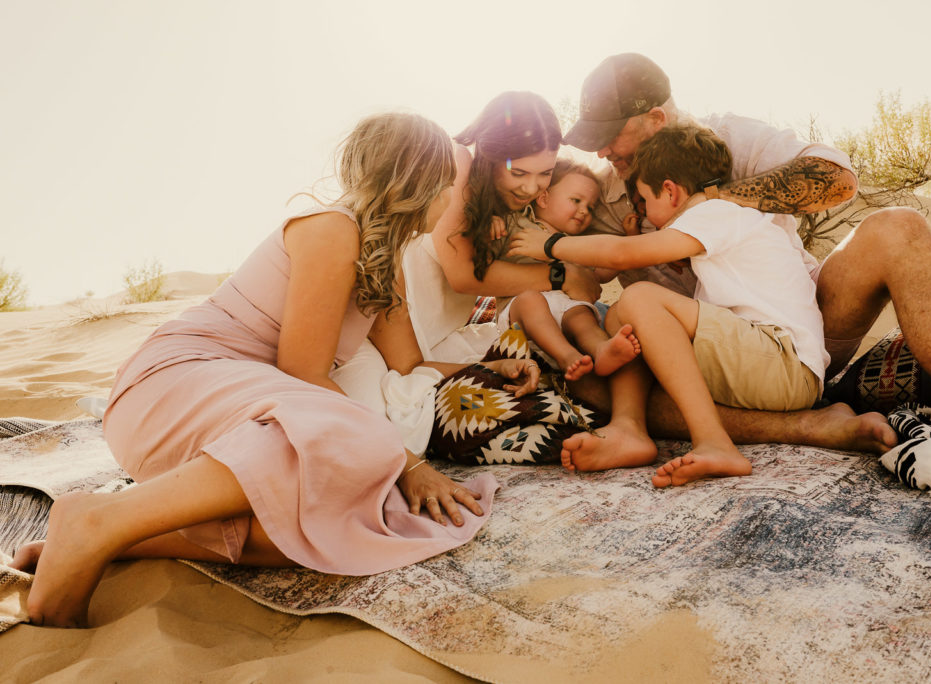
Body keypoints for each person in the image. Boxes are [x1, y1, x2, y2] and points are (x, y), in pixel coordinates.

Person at [11, 112, 541, 628]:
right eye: (448, 183)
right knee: (362, 440)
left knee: (334, 531)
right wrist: (409, 462)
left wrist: (489, 364)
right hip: (176, 383)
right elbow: (303, 375)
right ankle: (98, 519)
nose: (452, 196)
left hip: (236, 421)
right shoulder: (333, 229)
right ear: (419, 183)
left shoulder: (385, 260)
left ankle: (115, 535)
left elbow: (408, 364)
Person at [561, 53, 931, 497]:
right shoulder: (602, 188)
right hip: (696, 357)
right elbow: (575, 267)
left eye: (609, 135)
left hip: (797, 328)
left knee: (900, 227)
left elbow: (836, 178)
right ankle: (809, 426)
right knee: (582, 371)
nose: (602, 150)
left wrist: (709, 206)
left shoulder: (726, 138)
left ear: (656, 119)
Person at [512, 124, 827, 485]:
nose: (644, 214)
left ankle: (714, 442)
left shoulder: (717, 213)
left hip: (784, 363)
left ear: (670, 191)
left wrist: (549, 244)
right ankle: (628, 429)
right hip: (767, 365)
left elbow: (620, 254)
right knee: (620, 318)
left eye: (645, 201)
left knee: (639, 297)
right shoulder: (717, 221)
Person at [401, 91, 603, 365]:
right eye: (518, 173)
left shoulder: (512, 204)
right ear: (490, 155)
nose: (531, 188)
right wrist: (561, 276)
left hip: (436, 336)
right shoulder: (458, 160)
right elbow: (463, 275)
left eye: (545, 173)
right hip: (399, 326)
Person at [493, 158, 641, 380]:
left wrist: (632, 239)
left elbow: (599, 274)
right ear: (543, 198)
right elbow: (488, 248)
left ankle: (601, 349)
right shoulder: (520, 222)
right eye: (576, 200)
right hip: (518, 315)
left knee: (582, 316)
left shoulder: (575, 245)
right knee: (531, 301)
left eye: (589, 207)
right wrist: (491, 222)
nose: (584, 211)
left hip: (564, 311)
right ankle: (566, 356)